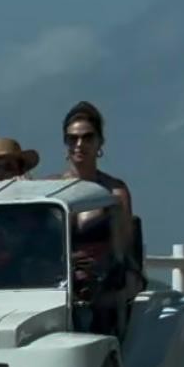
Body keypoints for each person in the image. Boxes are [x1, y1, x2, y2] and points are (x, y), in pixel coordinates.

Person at [57, 100, 141, 331]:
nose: (79, 144)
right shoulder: (51, 187)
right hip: (60, 274)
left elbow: (122, 248)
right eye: (72, 138)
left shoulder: (114, 192)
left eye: (87, 137)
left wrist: (98, 266)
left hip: (103, 275)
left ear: (99, 142)